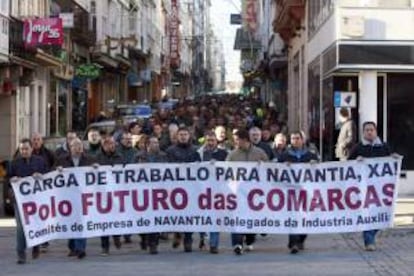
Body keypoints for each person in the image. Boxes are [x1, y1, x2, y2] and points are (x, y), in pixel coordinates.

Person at [349, 121, 396, 251]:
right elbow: (347, 165)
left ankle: (370, 236)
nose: (369, 132)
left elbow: (390, 162)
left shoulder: (384, 147)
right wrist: (355, 161)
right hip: (364, 188)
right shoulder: (358, 148)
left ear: (375, 132)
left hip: (381, 189)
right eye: (367, 130)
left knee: (382, 214)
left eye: (371, 130)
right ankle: (369, 241)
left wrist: (394, 159)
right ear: (363, 133)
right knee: (367, 213)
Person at [226, 129, 268, 255]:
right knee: (237, 217)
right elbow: (225, 171)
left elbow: (270, 168)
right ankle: (237, 243)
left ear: (244, 140)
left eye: (237, 140)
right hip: (238, 192)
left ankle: (249, 240)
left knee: (251, 218)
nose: (236, 142)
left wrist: (263, 165)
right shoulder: (232, 155)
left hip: (255, 193)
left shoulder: (259, 153)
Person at [278, 131, 318, 254]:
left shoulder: (311, 155)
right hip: (290, 191)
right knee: (293, 217)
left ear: (302, 140)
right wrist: (283, 166)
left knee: (306, 217)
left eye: (297, 138)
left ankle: (300, 239)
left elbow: (320, 172)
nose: (295, 140)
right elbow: (275, 171)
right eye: (293, 138)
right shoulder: (284, 156)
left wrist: (314, 165)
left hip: (307, 191)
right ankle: (293, 243)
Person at [55, 138, 95, 259]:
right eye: (75, 146)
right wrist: (57, 171)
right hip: (67, 197)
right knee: (71, 221)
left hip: (83, 197)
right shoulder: (62, 160)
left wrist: (96, 168)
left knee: (81, 221)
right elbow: (51, 174)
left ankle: (80, 248)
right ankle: (72, 246)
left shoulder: (89, 160)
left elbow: (97, 174)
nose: (78, 148)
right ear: (70, 147)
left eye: (80, 145)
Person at [9, 138, 47, 264]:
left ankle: (36, 245)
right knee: (21, 227)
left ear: (31, 149)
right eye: (21, 149)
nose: (24, 151)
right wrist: (12, 180)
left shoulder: (40, 161)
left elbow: (48, 177)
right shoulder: (14, 163)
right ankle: (21, 254)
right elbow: (8, 180)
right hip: (20, 201)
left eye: (26, 148)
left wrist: (41, 177)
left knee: (36, 223)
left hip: (37, 200)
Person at [166, 127, 201, 252]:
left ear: (189, 136)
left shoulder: (196, 150)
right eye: (181, 134)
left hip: (191, 188)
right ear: (177, 136)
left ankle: (188, 238)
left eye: (185, 134)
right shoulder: (170, 151)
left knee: (190, 214)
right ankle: (177, 232)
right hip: (175, 188)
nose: (183, 137)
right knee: (176, 213)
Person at [197, 131, 228, 254]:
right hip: (201, 190)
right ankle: (203, 237)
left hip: (217, 191)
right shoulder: (198, 154)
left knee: (215, 217)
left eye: (212, 140)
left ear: (216, 141)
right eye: (208, 140)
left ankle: (214, 244)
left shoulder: (223, 154)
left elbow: (230, 168)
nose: (210, 143)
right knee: (203, 217)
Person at [137, 136, 169, 254]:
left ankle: (154, 244)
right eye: (153, 142)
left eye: (157, 142)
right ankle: (144, 237)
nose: (156, 144)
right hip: (143, 192)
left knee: (155, 219)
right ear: (147, 145)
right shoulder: (139, 156)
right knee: (144, 219)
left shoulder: (163, 156)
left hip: (158, 192)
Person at [96, 136, 124, 255]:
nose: (111, 146)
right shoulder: (97, 158)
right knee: (104, 220)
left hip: (116, 192)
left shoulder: (119, 157)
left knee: (116, 217)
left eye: (112, 143)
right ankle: (105, 246)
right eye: (108, 144)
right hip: (102, 193)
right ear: (103, 145)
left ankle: (116, 237)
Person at [116, 131, 137, 244]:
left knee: (130, 210)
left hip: (131, 186)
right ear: (121, 140)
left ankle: (128, 233)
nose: (129, 140)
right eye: (126, 139)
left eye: (130, 138)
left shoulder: (136, 152)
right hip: (119, 185)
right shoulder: (117, 152)